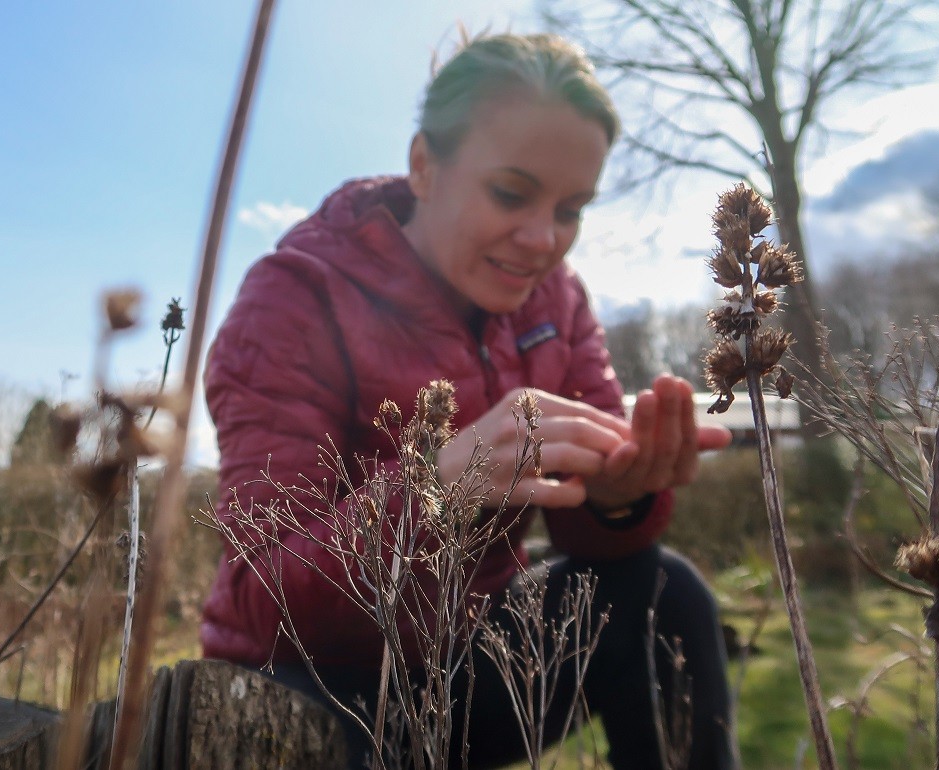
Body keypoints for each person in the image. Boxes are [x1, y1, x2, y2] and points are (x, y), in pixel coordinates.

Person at [201, 32, 738, 769]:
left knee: (665, 598)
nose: (544, 239)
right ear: (424, 165)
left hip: (468, 663)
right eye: (510, 193)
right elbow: (265, 598)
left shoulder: (556, 296)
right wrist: (436, 491)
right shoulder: (292, 300)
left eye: (573, 208)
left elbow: (593, 547)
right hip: (311, 687)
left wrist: (614, 496)